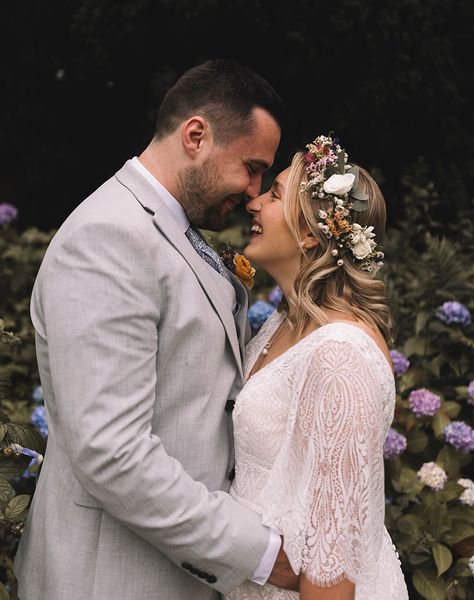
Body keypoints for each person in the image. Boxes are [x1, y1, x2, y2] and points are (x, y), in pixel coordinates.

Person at [14, 59, 298, 600]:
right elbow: (112, 450)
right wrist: (257, 553)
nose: (256, 190)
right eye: (252, 167)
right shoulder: (108, 238)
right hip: (108, 578)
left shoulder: (167, 227)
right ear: (196, 135)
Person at [225, 134, 409, 599]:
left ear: (309, 233)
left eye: (273, 195)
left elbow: (332, 562)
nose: (254, 203)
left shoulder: (342, 354)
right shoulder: (282, 325)